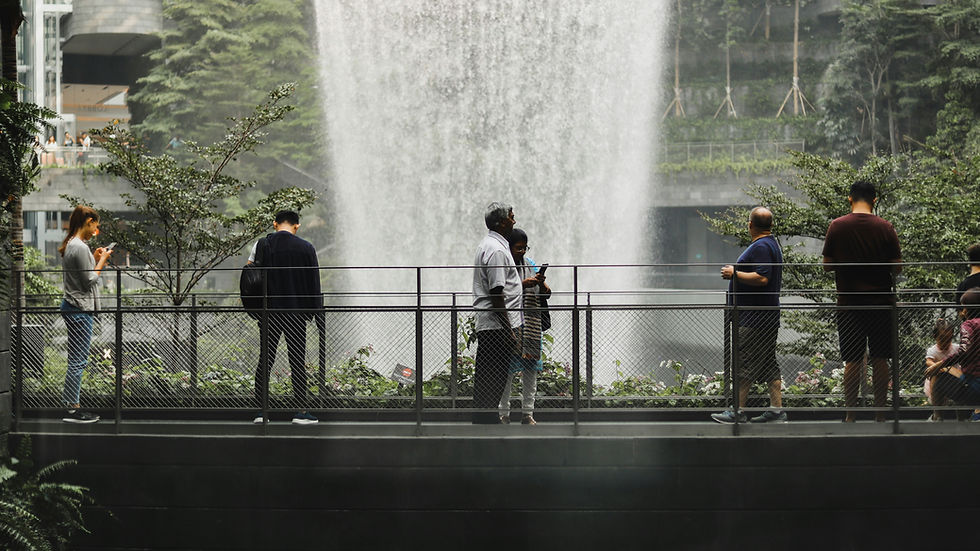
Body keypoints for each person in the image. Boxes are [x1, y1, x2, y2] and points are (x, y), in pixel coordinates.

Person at [822, 180, 902, 422]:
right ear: (874, 200)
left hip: (849, 304)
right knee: (880, 358)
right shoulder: (886, 227)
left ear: (850, 199)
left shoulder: (837, 226)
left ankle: (850, 415)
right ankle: (880, 414)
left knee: (852, 360)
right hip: (881, 302)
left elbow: (827, 266)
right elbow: (897, 268)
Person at [711, 207, 785, 424]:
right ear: (770, 225)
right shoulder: (771, 244)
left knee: (744, 362)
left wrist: (734, 273)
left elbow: (762, 277)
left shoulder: (762, 246)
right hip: (766, 315)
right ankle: (776, 411)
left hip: (755, 318)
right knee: (768, 363)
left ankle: (738, 411)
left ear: (750, 224)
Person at [250, 210, 322, 425]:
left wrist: (254, 307)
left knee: (265, 359)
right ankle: (301, 412)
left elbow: (250, 274)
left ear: (275, 224)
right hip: (296, 312)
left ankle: (261, 412)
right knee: (297, 360)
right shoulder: (307, 248)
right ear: (296, 226)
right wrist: (314, 313)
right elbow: (314, 283)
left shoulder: (261, 245)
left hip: (268, 312)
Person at [58, 205, 112, 423]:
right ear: (88, 221)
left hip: (73, 306)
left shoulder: (75, 245)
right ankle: (72, 409)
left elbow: (82, 271)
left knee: (75, 359)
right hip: (80, 308)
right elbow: (88, 280)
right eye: (95, 227)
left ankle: (71, 406)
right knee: (79, 361)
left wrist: (94, 256)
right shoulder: (78, 246)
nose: (95, 232)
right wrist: (102, 260)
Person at [472, 202, 522, 424]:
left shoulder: (489, 245)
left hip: (492, 325)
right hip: (497, 326)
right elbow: (496, 292)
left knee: (488, 376)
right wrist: (509, 330)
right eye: (511, 217)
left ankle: (484, 422)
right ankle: (486, 426)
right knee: (493, 378)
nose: (514, 220)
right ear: (501, 222)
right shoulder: (497, 250)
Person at [498, 228, 549, 425]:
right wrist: (523, 284)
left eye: (524, 248)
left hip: (531, 325)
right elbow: (501, 291)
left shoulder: (530, 265)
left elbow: (546, 294)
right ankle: (504, 413)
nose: (522, 252)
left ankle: (528, 413)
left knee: (530, 370)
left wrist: (541, 284)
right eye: (518, 248)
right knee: (508, 371)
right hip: (511, 323)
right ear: (508, 247)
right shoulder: (504, 266)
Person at [925, 288, 980, 420]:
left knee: (941, 380)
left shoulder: (969, 325)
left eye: (963, 307)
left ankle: (937, 418)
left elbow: (963, 351)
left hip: (974, 386)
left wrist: (940, 364)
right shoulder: (933, 350)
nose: (962, 311)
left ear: (968, 309)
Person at [924, 317, 957, 421]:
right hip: (938, 381)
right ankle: (937, 414)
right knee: (935, 374)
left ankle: (962, 417)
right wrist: (935, 366)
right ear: (935, 337)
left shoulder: (956, 348)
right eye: (942, 339)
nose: (946, 342)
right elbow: (928, 361)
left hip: (954, 379)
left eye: (949, 339)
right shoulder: (933, 350)